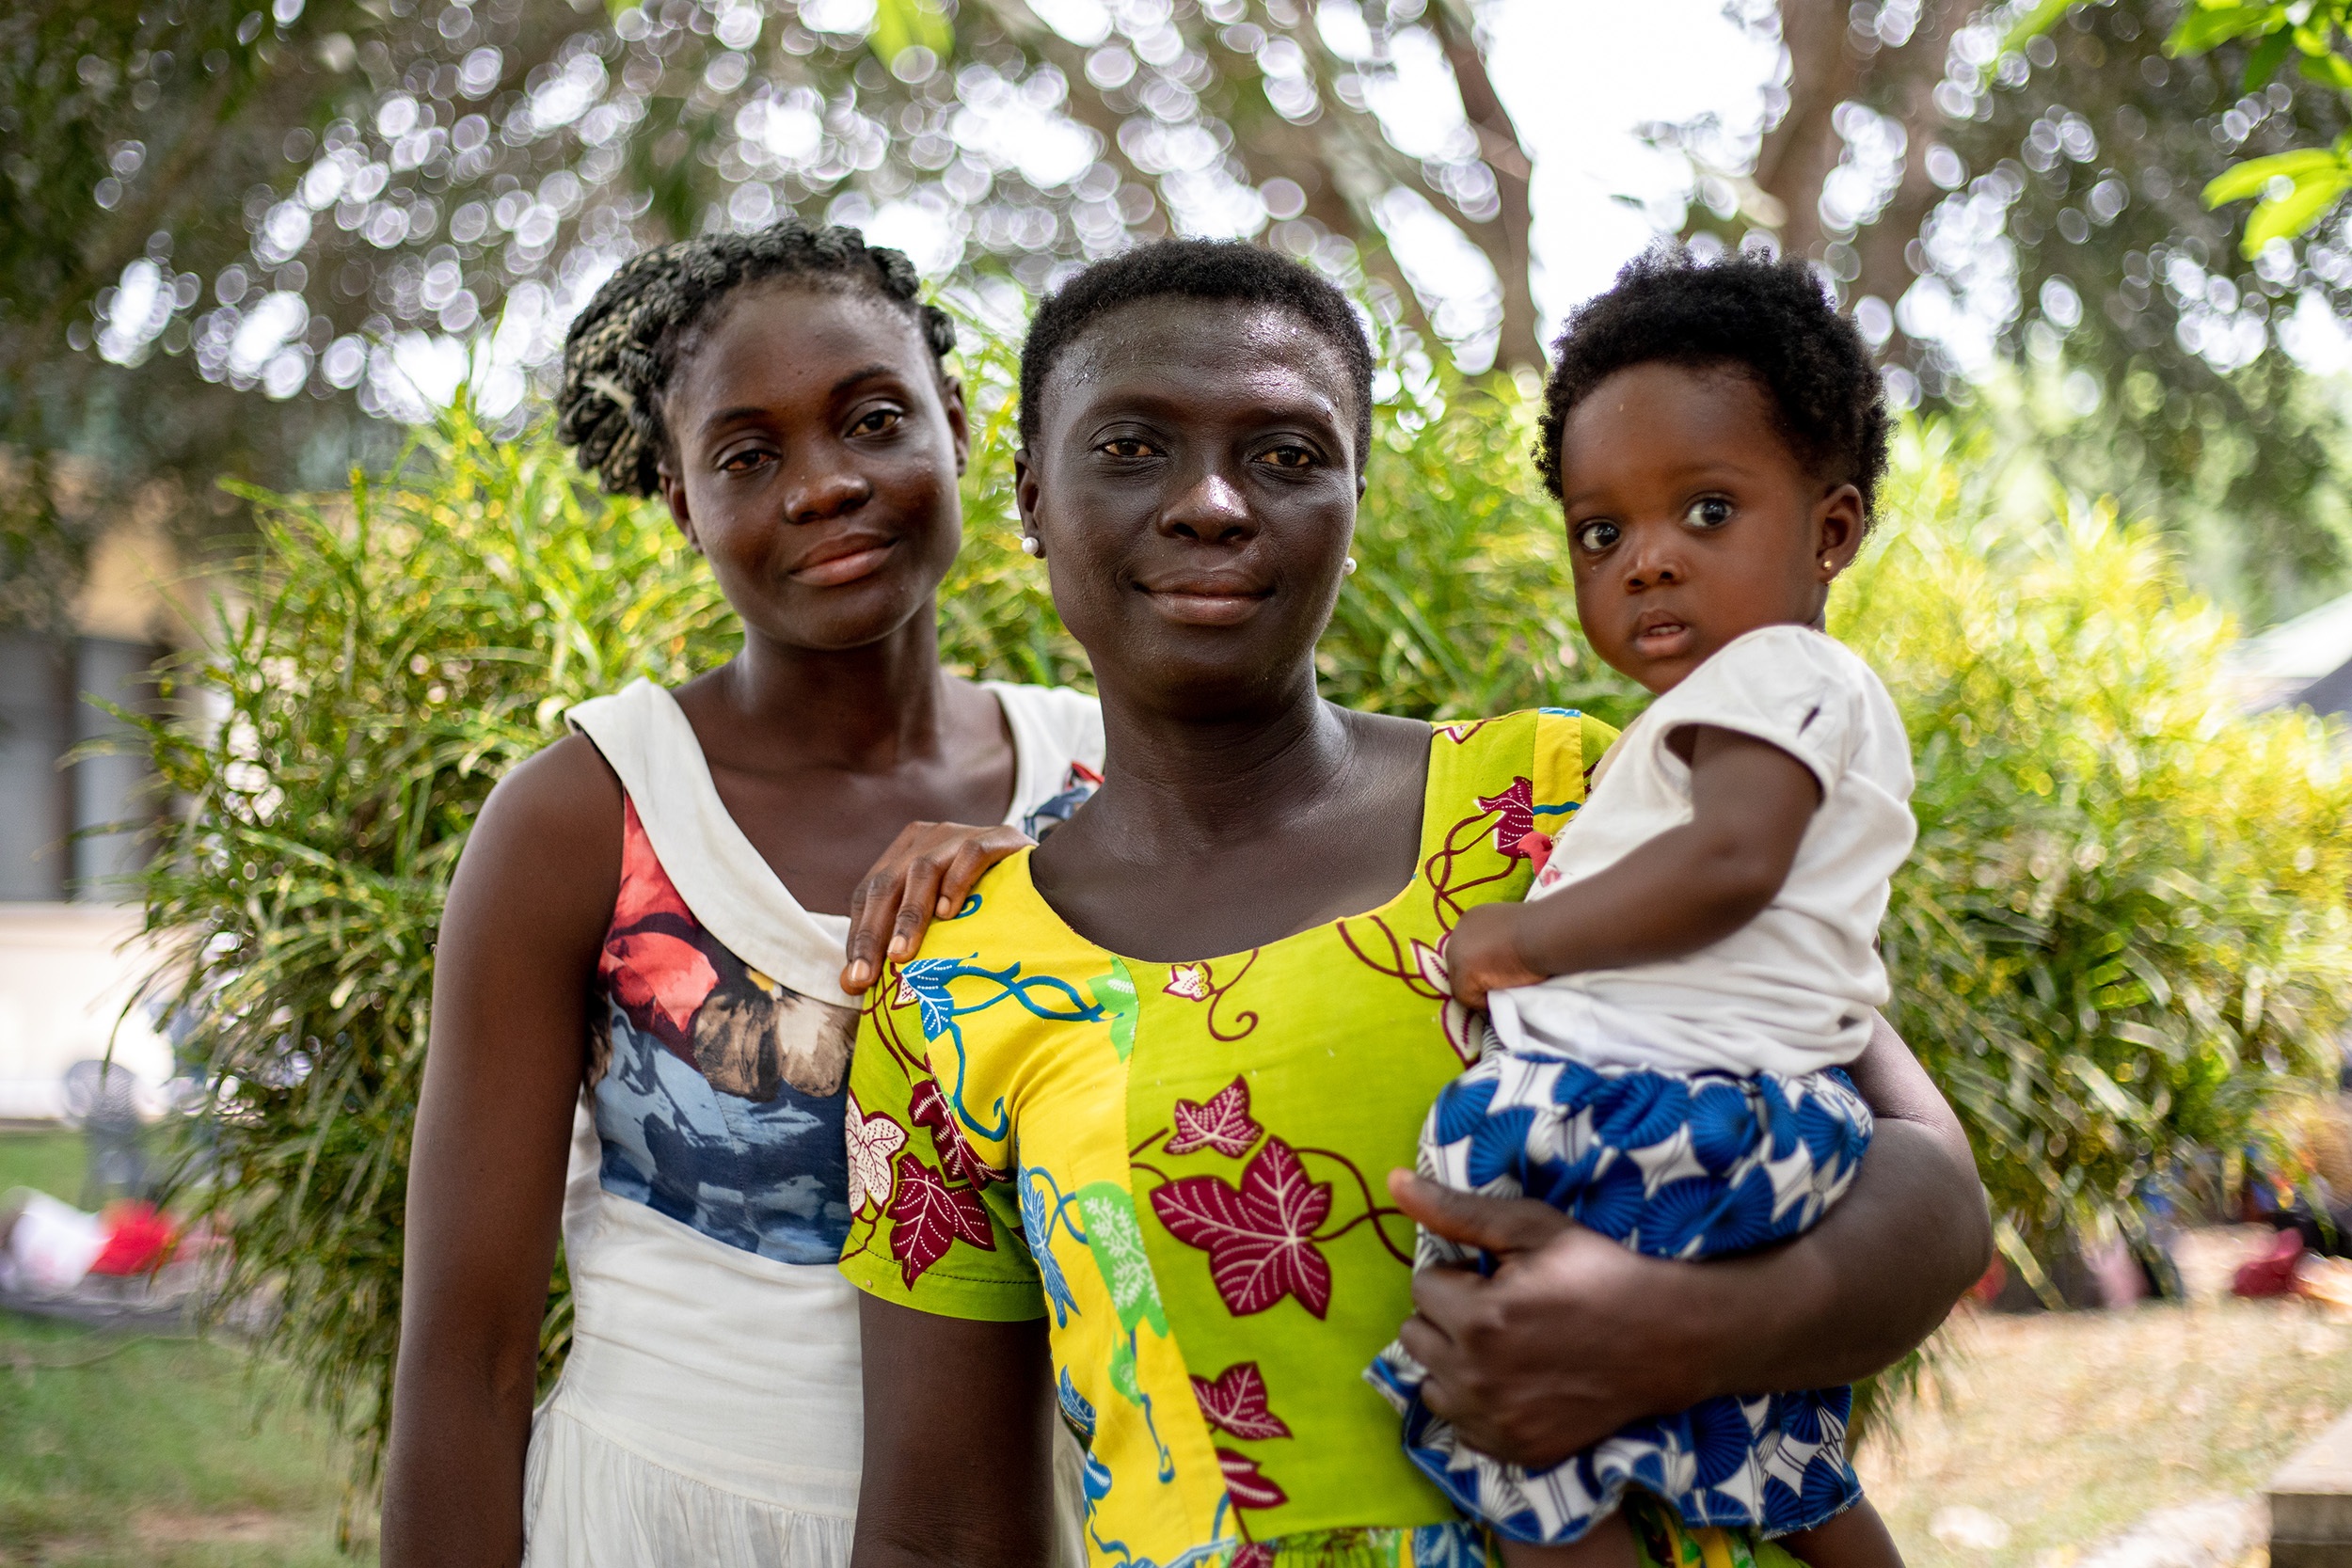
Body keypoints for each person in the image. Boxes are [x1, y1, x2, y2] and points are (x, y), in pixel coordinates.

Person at [839, 239, 1991, 1568]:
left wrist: (1678, 1328)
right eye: (1133, 448)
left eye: (1284, 454)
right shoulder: (955, 984)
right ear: (1034, 498)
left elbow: (1931, 1192)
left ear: (1353, 496)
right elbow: (938, 1530)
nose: (1212, 503)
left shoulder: (1568, 804)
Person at [380, 219, 1103, 1568]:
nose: (824, 486)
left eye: (873, 420)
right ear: (681, 502)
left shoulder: (1105, 781)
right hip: (662, 1514)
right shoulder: (585, 815)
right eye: (749, 456)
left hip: (1025, 1522)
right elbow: (465, 1362)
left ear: (954, 421)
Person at [1369, 249, 1909, 1568]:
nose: (1649, 563)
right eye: (1602, 533)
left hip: (1672, 1110)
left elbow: (1730, 865)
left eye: (1708, 512)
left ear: (1830, 530)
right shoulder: (1755, 702)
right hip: (1747, 1118)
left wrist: (1517, 940)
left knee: (1498, 1402)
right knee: (1765, 1435)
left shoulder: (1777, 674)